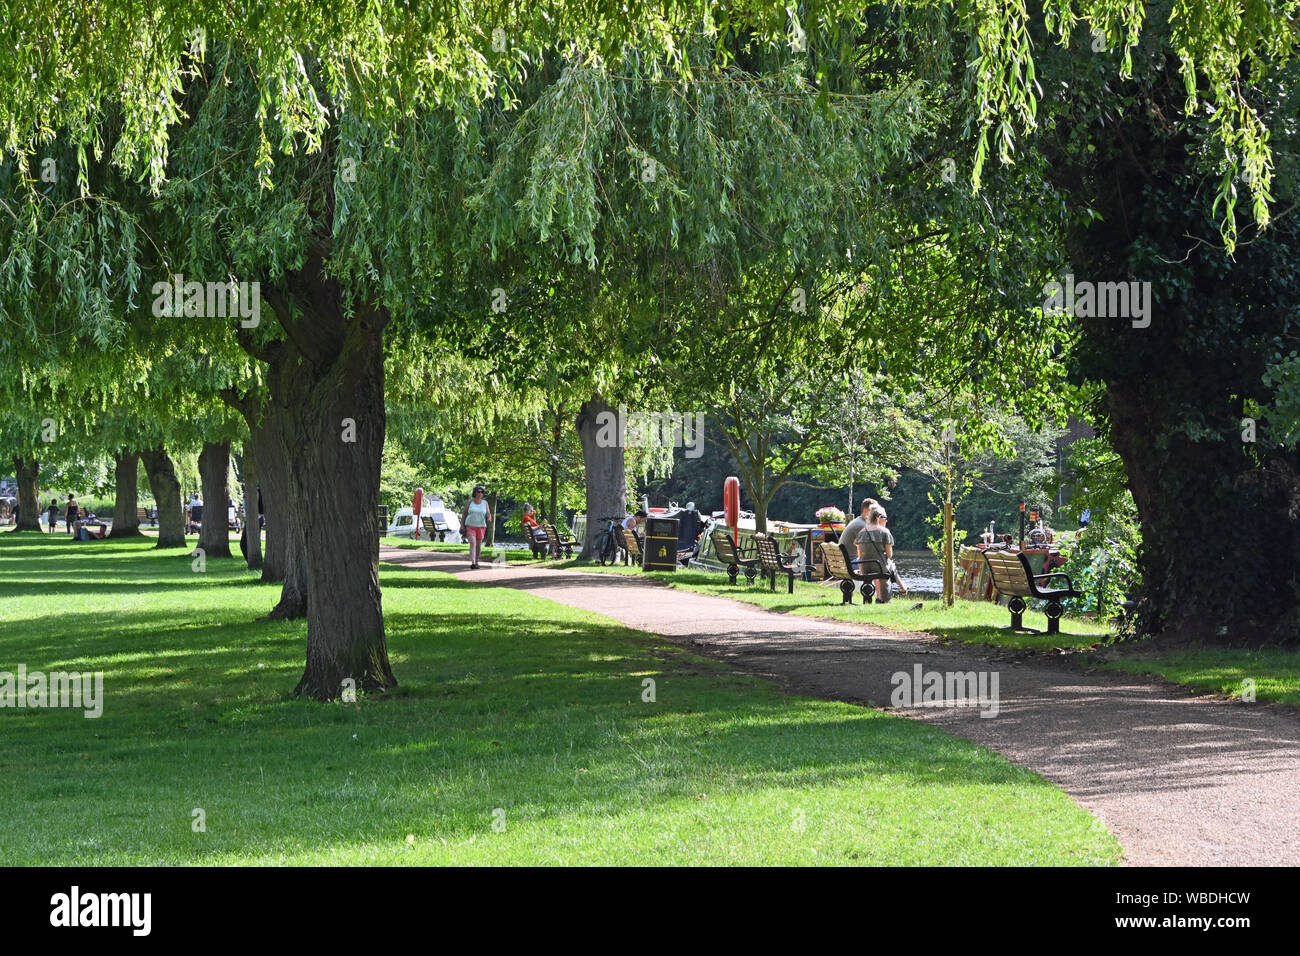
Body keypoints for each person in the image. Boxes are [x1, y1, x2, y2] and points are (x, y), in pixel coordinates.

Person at [856, 506, 906, 601]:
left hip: (865, 567)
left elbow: (859, 554)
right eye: (884, 517)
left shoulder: (861, 532)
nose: (886, 520)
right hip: (879, 567)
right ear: (877, 517)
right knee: (889, 566)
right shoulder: (885, 532)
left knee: (887, 565)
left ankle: (870, 598)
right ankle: (884, 599)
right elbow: (889, 555)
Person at [837, 497, 878, 564]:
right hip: (851, 563)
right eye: (874, 510)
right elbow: (870, 549)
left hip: (844, 563)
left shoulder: (857, 521)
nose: (876, 513)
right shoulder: (862, 526)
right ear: (866, 510)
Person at [460, 485, 492, 569]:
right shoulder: (469, 502)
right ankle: (473, 563)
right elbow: (464, 514)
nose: (480, 493)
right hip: (470, 525)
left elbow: (488, 513)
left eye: (482, 492)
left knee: (478, 545)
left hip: (481, 526)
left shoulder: (485, 503)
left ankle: (477, 561)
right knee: (473, 543)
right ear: (475, 493)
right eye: (478, 491)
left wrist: (489, 518)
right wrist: (462, 525)